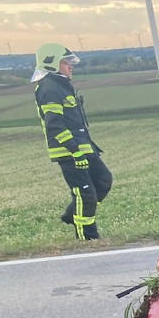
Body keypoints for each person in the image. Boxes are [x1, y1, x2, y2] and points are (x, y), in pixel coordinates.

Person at [31, 43, 113, 240]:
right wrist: (75, 152)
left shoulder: (61, 86)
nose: (70, 65)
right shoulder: (49, 89)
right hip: (70, 152)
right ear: (51, 63)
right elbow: (55, 125)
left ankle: (73, 214)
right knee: (85, 193)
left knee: (103, 181)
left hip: (84, 147)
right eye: (65, 61)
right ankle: (88, 237)